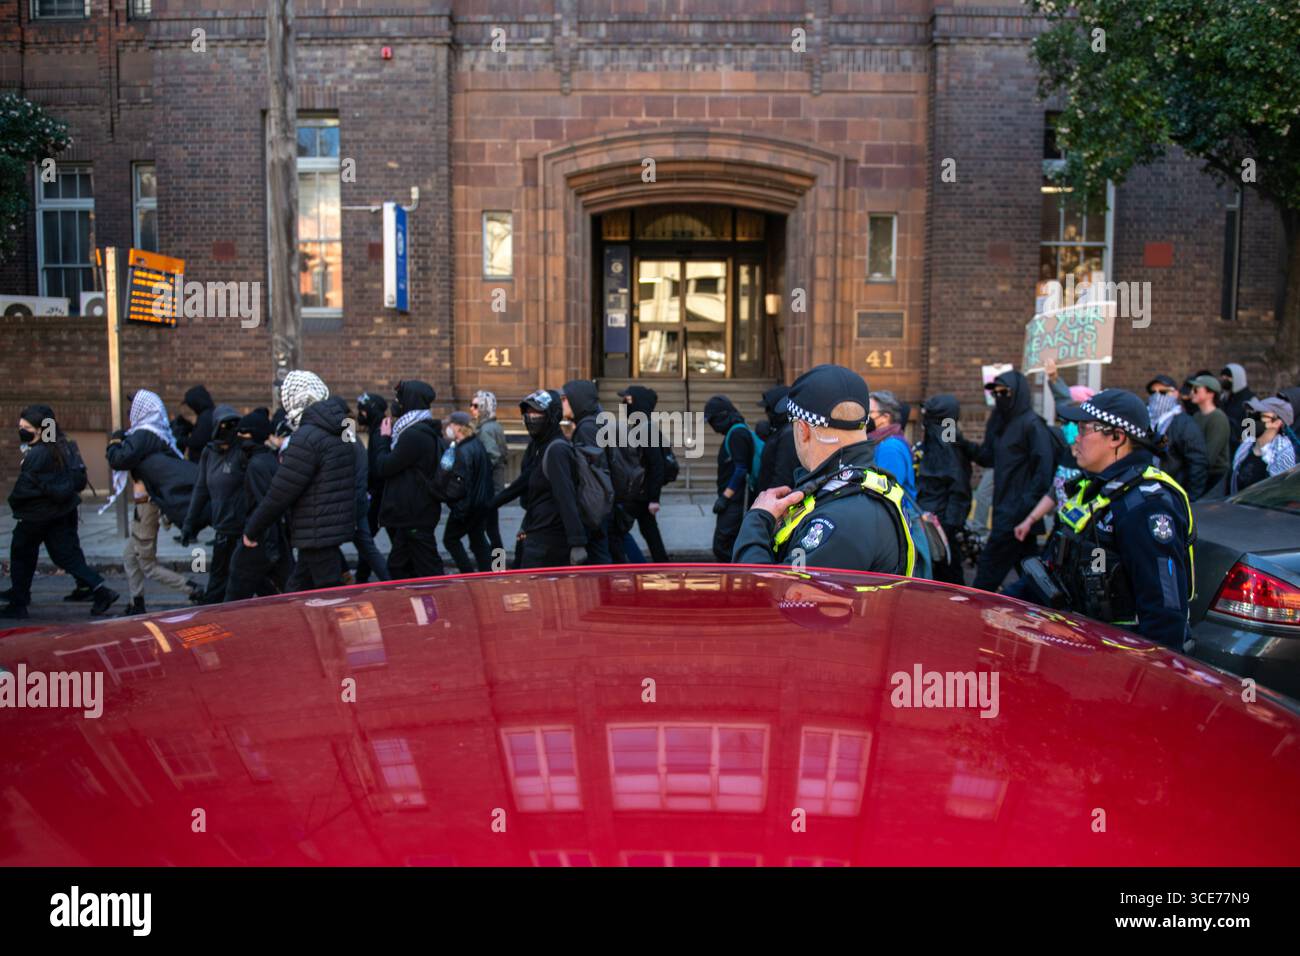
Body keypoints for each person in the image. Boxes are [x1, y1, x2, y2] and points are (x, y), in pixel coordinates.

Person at [1012, 389, 1194, 650]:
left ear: (1117, 437)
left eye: (1084, 430)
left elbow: (1164, 618)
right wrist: (995, 605)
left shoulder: (1147, 505)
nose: (1075, 440)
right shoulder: (1093, 489)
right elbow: (1049, 570)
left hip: (1117, 664)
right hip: (1078, 649)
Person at [732, 364, 914, 573]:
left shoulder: (843, 517)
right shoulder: (855, 485)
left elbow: (764, 593)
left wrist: (757, 519)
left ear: (803, 430)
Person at [242, 370, 356, 593]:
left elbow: (281, 491)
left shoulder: (306, 437)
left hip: (316, 529)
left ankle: (333, 628)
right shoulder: (338, 429)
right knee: (297, 589)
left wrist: (253, 528)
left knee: (329, 595)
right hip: (323, 527)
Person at [3, 405, 118, 619]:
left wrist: (15, 502)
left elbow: (24, 488)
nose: (21, 430)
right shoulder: (60, 445)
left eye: (25, 427)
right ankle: (99, 589)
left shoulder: (38, 453)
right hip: (60, 511)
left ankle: (19, 601)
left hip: (37, 516)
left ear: (40, 429)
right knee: (65, 555)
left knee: (21, 554)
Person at [105, 389, 207, 613]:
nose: (130, 411)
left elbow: (119, 459)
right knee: (130, 557)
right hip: (146, 506)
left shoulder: (144, 435)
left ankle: (192, 588)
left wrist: (114, 441)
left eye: (134, 407)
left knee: (147, 565)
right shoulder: (155, 434)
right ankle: (136, 603)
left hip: (146, 508)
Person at [971, 370, 1054, 592]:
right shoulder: (1001, 423)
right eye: (996, 393)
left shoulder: (1032, 425)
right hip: (1006, 510)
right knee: (1034, 574)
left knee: (987, 574)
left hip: (1015, 513)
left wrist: (1026, 509)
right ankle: (1046, 608)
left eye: (1005, 393)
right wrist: (959, 443)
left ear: (1017, 393)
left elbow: (1043, 471)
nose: (1000, 398)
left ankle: (974, 611)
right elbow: (987, 457)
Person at [373, 379, 445, 580]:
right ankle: (417, 606)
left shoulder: (414, 435)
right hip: (411, 513)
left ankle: (443, 604)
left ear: (410, 401)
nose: (396, 403)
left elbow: (384, 466)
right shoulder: (415, 430)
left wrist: (383, 439)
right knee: (399, 568)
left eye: (399, 398)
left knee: (429, 569)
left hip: (416, 513)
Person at [513, 389, 587, 568]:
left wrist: (577, 542)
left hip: (548, 540)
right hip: (535, 530)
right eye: (528, 412)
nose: (531, 417)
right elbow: (525, 483)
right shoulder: (538, 446)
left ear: (551, 415)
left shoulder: (556, 450)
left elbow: (566, 496)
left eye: (537, 412)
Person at [224, 411, 292, 601]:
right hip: (269, 538)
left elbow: (267, 505)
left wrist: (253, 535)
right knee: (278, 590)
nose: (239, 437)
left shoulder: (257, 465)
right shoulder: (266, 459)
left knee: (236, 592)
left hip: (258, 539)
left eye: (243, 433)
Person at [181, 405, 245, 604]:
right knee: (218, 578)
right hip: (222, 527)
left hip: (243, 527)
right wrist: (189, 524)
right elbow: (201, 490)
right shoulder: (209, 453)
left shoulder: (243, 451)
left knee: (244, 578)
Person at [916, 394, 978, 585]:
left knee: (946, 572)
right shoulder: (945, 434)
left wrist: (950, 524)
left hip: (940, 519)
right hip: (935, 516)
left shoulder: (945, 441)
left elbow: (956, 481)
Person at [561, 379, 614, 563]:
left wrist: (589, 514)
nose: (562, 403)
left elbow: (590, 473)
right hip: (601, 507)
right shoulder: (592, 423)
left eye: (565, 399)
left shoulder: (587, 428)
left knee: (600, 560)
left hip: (594, 510)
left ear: (577, 399)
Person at [615, 385, 670, 563]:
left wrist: (654, 499)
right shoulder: (641, 426)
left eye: (628, 400)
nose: (624, 403)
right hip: (640, 493)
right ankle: (661, 566)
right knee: (650, 533)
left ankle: (638, 565)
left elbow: (657, 466)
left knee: (617, 530)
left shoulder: (646, 429)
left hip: (641, 495)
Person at [439, 411, 496, 573]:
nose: (448, 428)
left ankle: (468, 573)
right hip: (479, 504)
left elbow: (462, 483)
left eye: (450, 424)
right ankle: (487, 573)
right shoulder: (475, 444)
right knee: (478, 540)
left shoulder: (464, 450)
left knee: (450, 539)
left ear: (458, 427)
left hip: (468, 507)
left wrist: (458, 508)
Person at [704, 395, 756, 562]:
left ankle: (742, 573)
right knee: (728, 544)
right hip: (733, 500)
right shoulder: (736, 432)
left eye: (713, 420)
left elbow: (741, 469)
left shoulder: (737, 434)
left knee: (722, 545)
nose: (712, 426)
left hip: (735, 501)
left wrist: (725, 498)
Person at [1145, 374, 1208, 500]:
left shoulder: (1184, 423)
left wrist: (1190, 498)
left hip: (1173, 493)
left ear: (1176, 394)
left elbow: (1197, 462)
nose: (1157, 396)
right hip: (1148, 491)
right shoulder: (1145, 420)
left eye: (1163, 392)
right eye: (1153, 392)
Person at [1227, 397, 1298, 494]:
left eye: (1260, 415)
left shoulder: (1283, 455)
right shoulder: (1246, 445)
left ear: (1277, 423)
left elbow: (1279, 494)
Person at [354, 390, 389, 584]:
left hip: (379, 496)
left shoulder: (379, 433)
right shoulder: (377, 430)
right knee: (366, 540)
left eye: (363, 411)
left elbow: (378, 466)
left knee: (365, 539)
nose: (361, 415)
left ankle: (368, 577)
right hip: (379, 494)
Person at [471, 390, 508, 558]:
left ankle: (495, 568)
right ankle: (496, 567)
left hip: (488, 489)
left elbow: (493, 455)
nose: (472, 409)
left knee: (488, 532)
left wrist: (478, 472)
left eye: (476, 406)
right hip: (493, 488)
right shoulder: (493, 426)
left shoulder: (485, 429)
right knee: (492, 531)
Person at [1189, 373, 1230, 492]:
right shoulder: (1197, 416)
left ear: (1210, 393)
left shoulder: (1218, 418)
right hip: (1198, 472)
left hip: (1215, 476)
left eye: (1196, 389)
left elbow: (1210, 454)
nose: (1192, 392)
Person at [755, 386, 797, 493]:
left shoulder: (788, 434)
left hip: (776, 501)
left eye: (769, 408)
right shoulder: (780, 429)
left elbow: (783, 477)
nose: (766, 412)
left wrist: (769, 504)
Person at [1220, 363, 1256, 458]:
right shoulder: (1223, 398)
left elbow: (1250, 428)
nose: (1224, 379)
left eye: (1228, 377)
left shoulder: (1250, 400)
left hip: (1240, 447)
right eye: (1223, 376)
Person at [180, 385, 216, 463]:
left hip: (202, 461)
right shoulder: (209, 414)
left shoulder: (206, 417)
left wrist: (181, 440)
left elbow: (198, 441)